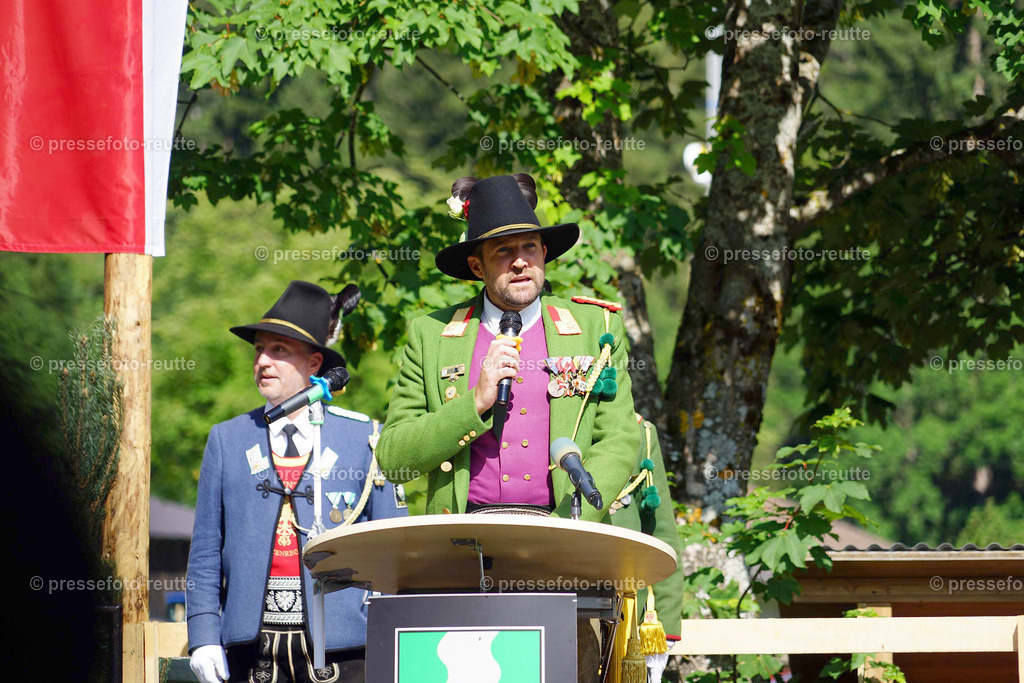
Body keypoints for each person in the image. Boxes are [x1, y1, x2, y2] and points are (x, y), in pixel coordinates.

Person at [376, 173, 640, 521]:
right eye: (503, 250)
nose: (520, 261)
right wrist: (475, 402)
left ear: (544, 253)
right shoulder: (431, 335)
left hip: (564, 529)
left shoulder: (596, 327)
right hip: (465, 536)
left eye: (529, 246)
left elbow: (619, 441)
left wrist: (568, 527)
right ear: (476, 266)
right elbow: (393, 460)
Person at [187, 280, 408, 683]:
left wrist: (389, 635)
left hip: (345, 647)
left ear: (314, 364)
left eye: (279, 350)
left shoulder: (365, 439)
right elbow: (205, 552)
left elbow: (393, 549)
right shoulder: (227, 439)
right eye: (259, 350)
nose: (263, 361)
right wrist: (202, 635)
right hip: (250, 650)